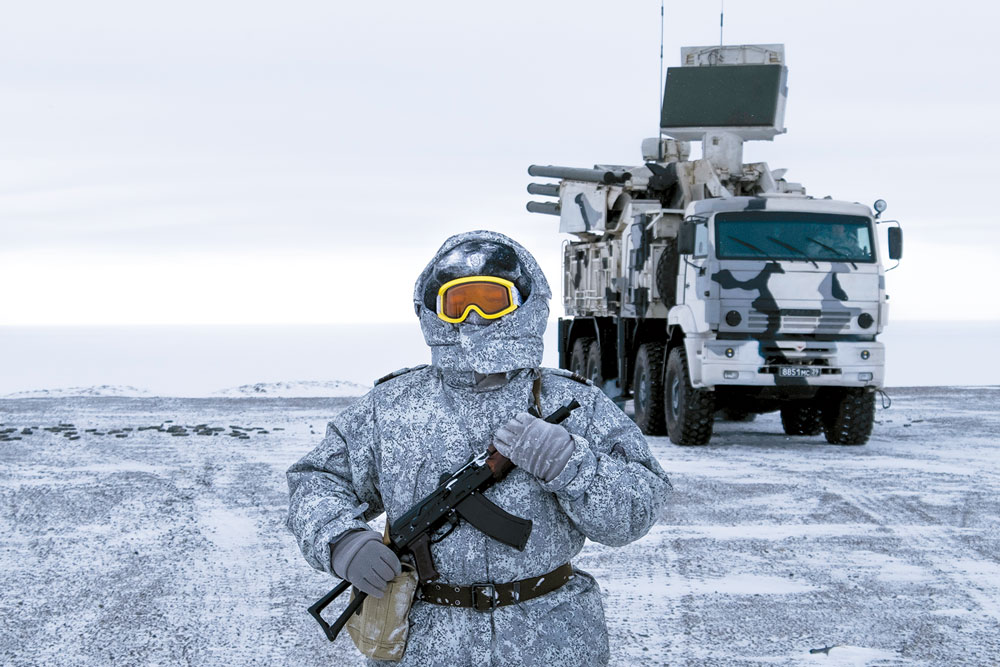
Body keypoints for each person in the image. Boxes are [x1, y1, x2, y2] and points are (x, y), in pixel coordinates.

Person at [286, 230, 671, 666]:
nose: (473, 317)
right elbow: (316, 481)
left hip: (554, 640)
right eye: (457, 303)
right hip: (426, 644)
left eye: (491, 301)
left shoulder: (573, 403)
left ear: (524, 305)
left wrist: (574, 465)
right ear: (434, 311)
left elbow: (639, 509)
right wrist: (343, 541)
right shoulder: (390, 407)